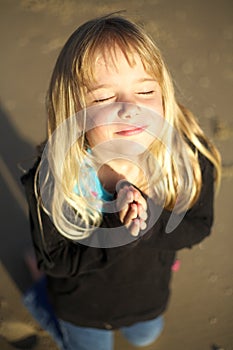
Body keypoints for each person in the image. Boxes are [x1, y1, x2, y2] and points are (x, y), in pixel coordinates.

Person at [21, 13, 221, 350]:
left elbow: (200, 225)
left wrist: (151, 225)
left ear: (163, 95)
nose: (130, 107)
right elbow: (55, 260)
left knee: (145, 336)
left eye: (145, 90)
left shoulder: (185, 161)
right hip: (83, 309)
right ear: (73, 111)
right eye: (103, 98)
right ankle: (38, 297)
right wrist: (120, 225)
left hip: (149, 297)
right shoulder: (55, 177)